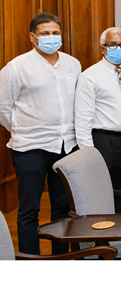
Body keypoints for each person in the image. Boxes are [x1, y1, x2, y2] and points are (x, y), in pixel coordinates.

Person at [0, 13, 81, 255]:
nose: (51, 37)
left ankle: (60, 258)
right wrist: (24, 129)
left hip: (66, 146)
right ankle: (30, 263)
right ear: (32, 37)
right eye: (45, 33)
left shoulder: (73, 63)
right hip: (29, 148)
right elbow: (3, 107)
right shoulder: (15, 67)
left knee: (62, 207)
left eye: (55, 33)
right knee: (29, 210)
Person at [74, 27, 121, 213]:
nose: (119, 48)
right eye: (113, 44)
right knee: (101, 195)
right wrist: (88, 154)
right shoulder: (89, 76)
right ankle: (102, 239)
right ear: (102, 48)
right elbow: (82, 119)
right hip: (104, 141)